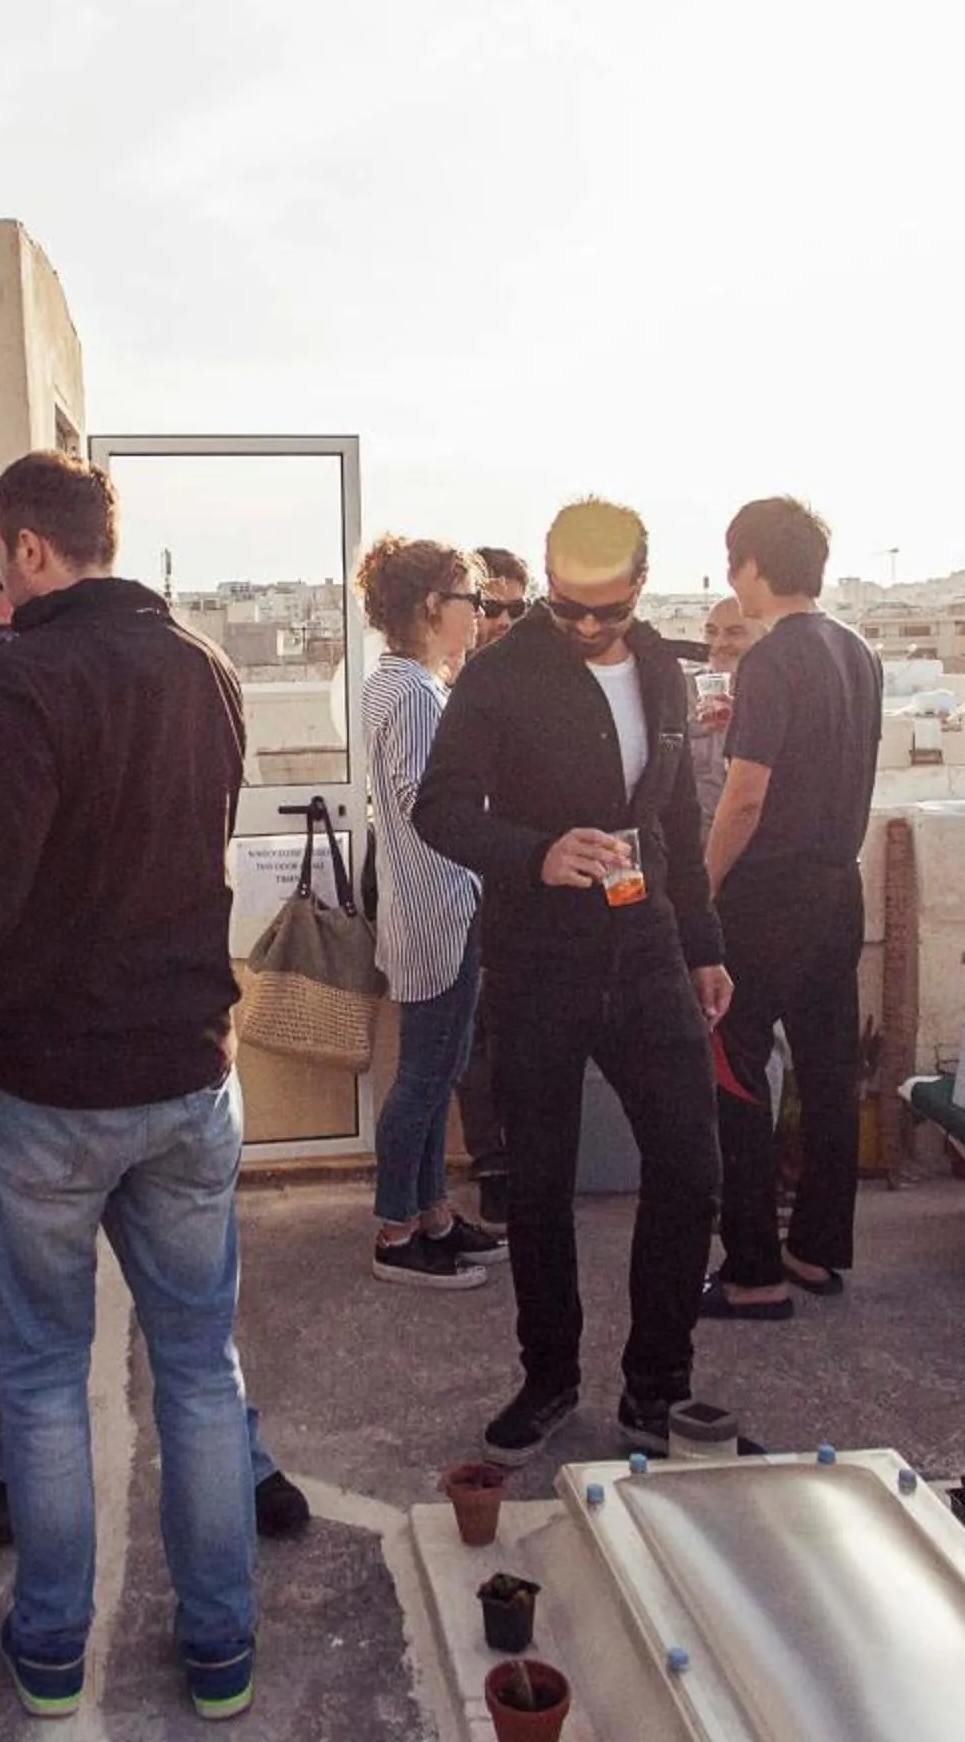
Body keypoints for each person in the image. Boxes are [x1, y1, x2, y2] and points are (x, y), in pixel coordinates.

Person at [0, 452, 260, 1724]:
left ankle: (54, 1648)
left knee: (42, 1380)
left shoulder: (24, 676)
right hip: (187, 1074)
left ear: (28, 548)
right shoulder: (206, 664)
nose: (4, 578)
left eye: (1, 552)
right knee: (200, 1370)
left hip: (49, 1088)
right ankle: (222, 1649)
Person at [0, 582, 312, 1550]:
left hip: (125, 1073)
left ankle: (242, 1464)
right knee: (37, 1336)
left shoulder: (111, 741)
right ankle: (30, 1480)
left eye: (6, 635)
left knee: (185, 1335)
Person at [415, 498, 731, 1464]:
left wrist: (704, 945)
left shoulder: (665, 672)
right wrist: (536, 854)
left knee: (691, 1168)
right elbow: (437, 809)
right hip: (539, 959)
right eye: (568, 608)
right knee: (541, 1185)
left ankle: (657, 1388)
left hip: (647, 949)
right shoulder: (500, 674)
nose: (588, 627)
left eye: (609, 610)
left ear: (641, 585)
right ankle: (548, 1377)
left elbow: (676, 818)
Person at [697, 498, 883, 1322]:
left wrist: (703, 888)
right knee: (828, 1070)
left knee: (734, 1068)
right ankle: (815, 1248)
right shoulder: (857, 650)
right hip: (839, 886)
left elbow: (745, 799)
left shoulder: (772, 658)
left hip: (770, 894)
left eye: (733, 562)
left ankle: (753, 1270)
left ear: (753, 566)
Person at [355, 536, 507, 1288]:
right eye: (469, 601)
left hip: (427, 904)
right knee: (424, 1076)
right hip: (440, 907)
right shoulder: (415, 695)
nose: (478, 615)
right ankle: (396, 1231)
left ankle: (433, 1216)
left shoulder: (395, 684)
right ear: (429, 605)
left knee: (437, 1070)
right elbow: (432, 808)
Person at [453, 544, 532, 1229]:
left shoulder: (541, 681)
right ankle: (493, 1165)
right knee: (474, 1033)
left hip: (528, 879)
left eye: (517, 608)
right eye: (490, 606)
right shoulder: (446, 685)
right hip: (464, 880)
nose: (503, 620)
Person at [686, 597, 765, 828]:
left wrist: (743, 726)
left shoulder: (778, 701)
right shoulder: (681, 691)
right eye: (711, 632)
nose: (719, 643)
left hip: (750, 838)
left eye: (734, 632)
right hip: (688, 837)